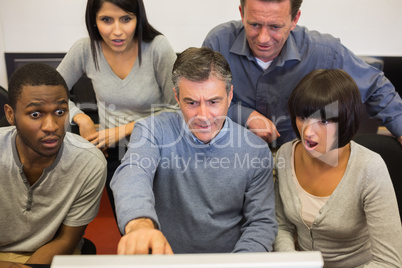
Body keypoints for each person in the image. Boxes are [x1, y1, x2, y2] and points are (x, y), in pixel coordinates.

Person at [111, 47, 277, 254]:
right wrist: (139, 224)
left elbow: (261, 223)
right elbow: (132, 173)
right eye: (191, 102)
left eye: (213, 102)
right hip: (166, 260)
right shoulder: (153, 130)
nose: (203, 116)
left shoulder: (256, 151)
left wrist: (239, 263)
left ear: (230, 95)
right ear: (177, 97)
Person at [202, 0, 402, 148]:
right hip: (236, 160)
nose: (263, 38)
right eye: (254, 24)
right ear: (242, 13)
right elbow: (198, 103)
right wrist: (245, 116)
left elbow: (376, 87)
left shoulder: (324, 52)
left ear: (294, 19)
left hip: (303, 162)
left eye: (275, 27)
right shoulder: (218, 43)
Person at [56, 0, 178, 215]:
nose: (117, 31)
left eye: (126, 19)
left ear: (138, 18)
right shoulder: (85, 49)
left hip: (158, 147)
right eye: (106, 20)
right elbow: (51, 93)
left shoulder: (158, 47)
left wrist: (122, 130)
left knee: (167, 224)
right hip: (112, 153)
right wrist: (81, 118)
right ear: (93, 21)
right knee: (131, 221)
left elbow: (175, 110)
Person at [274, 69, 402, 267]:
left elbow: (389, 263)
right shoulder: (285, 154)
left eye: (323, 121)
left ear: (346, 120)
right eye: (302, 117)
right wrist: (291, 261)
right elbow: (282, 226)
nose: (308, 132)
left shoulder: (370, 169)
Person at [0, 63, 107, 266]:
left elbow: (67, 240)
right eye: (35, 114)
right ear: (10, 114)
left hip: (51, 255)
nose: (51, 127)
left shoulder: (88, 162)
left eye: (60, 112)